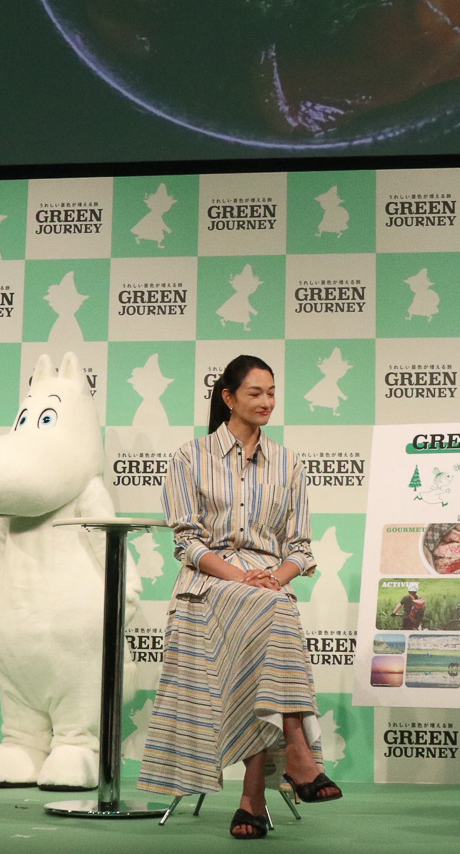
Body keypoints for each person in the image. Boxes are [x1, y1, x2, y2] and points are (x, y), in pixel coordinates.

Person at [139, 355, 341, 839]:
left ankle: (254, 796)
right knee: (272, 612)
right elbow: (187, 542)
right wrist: (240, 577)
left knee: (271, 610)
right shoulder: (190, 457)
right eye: (256, 393)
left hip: (268, 585)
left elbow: (298, 548)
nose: (267, 402)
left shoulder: (290, 463)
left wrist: (277, 576)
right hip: (208, 584)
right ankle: (295, 753)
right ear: (228, 398)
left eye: (272, 392)